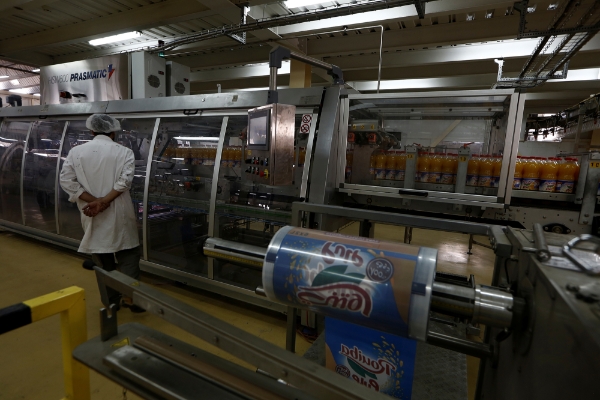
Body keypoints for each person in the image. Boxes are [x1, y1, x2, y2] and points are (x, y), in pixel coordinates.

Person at [60, 114, 144, 312]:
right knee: (128, 255)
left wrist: (94, 202)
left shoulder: (76, 152)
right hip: (119, 212)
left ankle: (111, 302)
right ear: (113, 132)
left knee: (102, 259)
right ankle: (132, 300)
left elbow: (67, 181)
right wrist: (104, 201)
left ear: (92, 131)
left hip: (91, 213)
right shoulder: (124, 152)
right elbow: (124, 182)